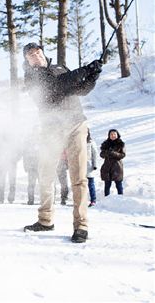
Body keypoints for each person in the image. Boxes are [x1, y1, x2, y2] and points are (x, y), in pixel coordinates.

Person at [22, 42, 102, 243]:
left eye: (38, 52)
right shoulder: (32, 77)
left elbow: (79, 89)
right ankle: (45, 220)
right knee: (46, 173)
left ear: (43, 53)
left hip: (76, 124)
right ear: (27, 61)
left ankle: (81, 225)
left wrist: (92, 76)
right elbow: (57, 87)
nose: (36, 55)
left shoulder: (60, 68)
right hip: (51, 128)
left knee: (79, 176)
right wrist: (84, 69)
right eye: (31, 55)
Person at [0, 132, 22, 204]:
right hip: (2, 163)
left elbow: (20, 151)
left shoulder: (14, 141)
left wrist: (15, 159)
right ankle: (2, 198)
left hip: (12, 163)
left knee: (11, 182)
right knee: (2, 181)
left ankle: (10, 198)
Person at [100, 129, 125, 196]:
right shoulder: (105, 144)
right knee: (107, 185)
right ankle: (106, 199)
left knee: (118, 184)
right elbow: (101, 154)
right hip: (107, 167)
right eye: (111, 134)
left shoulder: (121, 144)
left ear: (117, 135)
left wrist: (113, 153)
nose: (113, 135)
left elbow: (123, 155)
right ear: (109, 135)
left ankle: (121, 199)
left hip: (117, 167)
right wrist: (107, 153)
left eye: (114, 134)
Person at [23, 130, 39, 205]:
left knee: (39, 184)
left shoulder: (40, 141)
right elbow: (25, 154)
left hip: (38, 166)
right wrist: (25, 165)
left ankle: (33, 200)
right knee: (31, 184)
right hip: (33, 167)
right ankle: (31, 200)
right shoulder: (29, 143)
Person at [86, 129, 98, 207]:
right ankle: (80, 200)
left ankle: (93, 200)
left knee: (91, 183)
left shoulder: (91, 142)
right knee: (79, 184)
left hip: (88, 165)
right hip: (79, 167)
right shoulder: (76, 141)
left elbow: (95, 154)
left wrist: (95, 165)